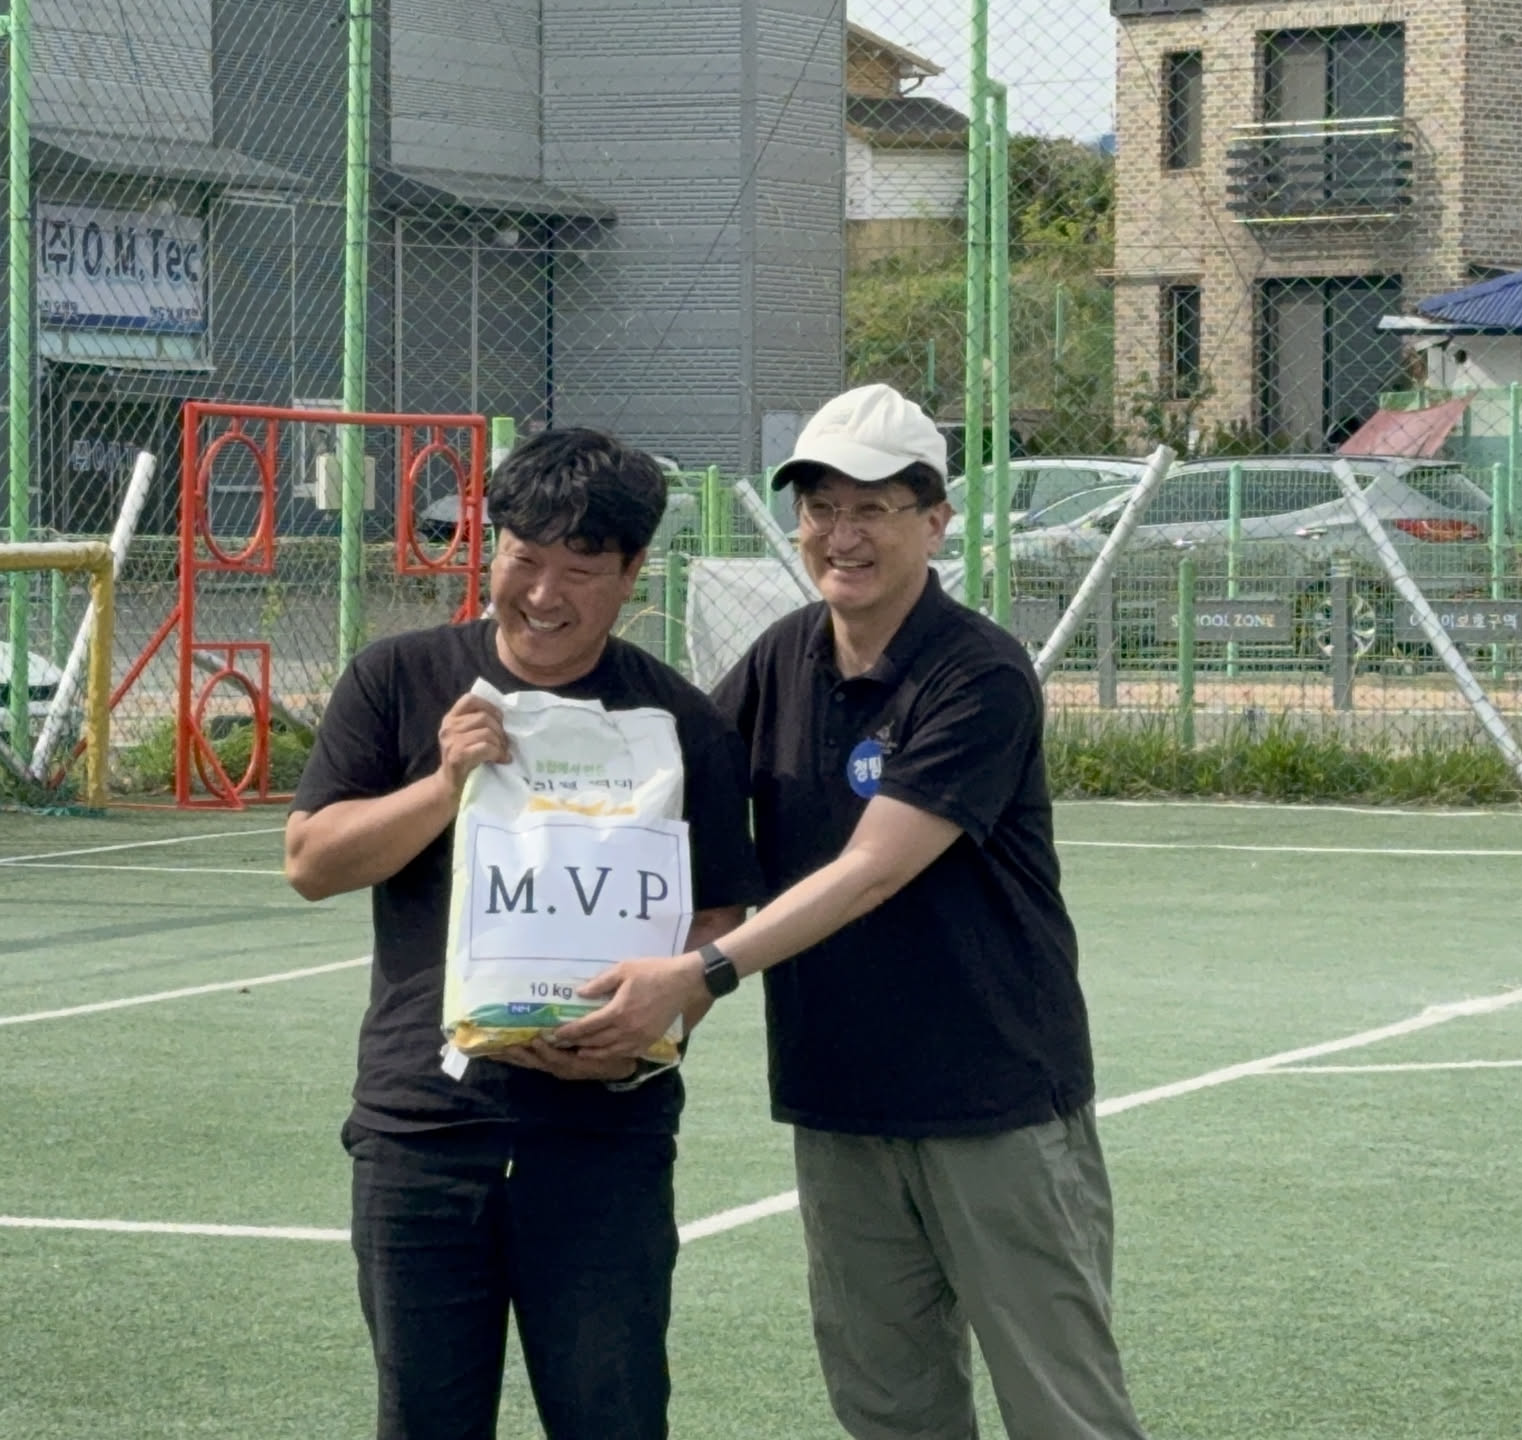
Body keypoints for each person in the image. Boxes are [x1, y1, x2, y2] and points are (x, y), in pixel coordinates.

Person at [562, 385, 1150, 1439]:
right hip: (839, 1100)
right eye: (822, 507)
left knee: (1064, 1411)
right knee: (887, 1408)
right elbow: (673, 786)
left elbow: (874, 868)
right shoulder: (783, 655)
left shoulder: (979, 673)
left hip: (994, 1101)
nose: (842, 536)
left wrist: (696, 977)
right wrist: (530, 750)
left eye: (873, 508)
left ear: (936, 521)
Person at [283, 428, 764, 1440]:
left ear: (632, 572)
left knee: (611, 1418)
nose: (544, 595)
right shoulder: (398, 677)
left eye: (580, 571)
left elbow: (719, 914)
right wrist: (445, 784)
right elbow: (312, 862)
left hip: (606, 1136)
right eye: (523, 559)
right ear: (490, 549)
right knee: (423, 1420)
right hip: (422, 1129)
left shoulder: (681, 721)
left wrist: (655, 1030)